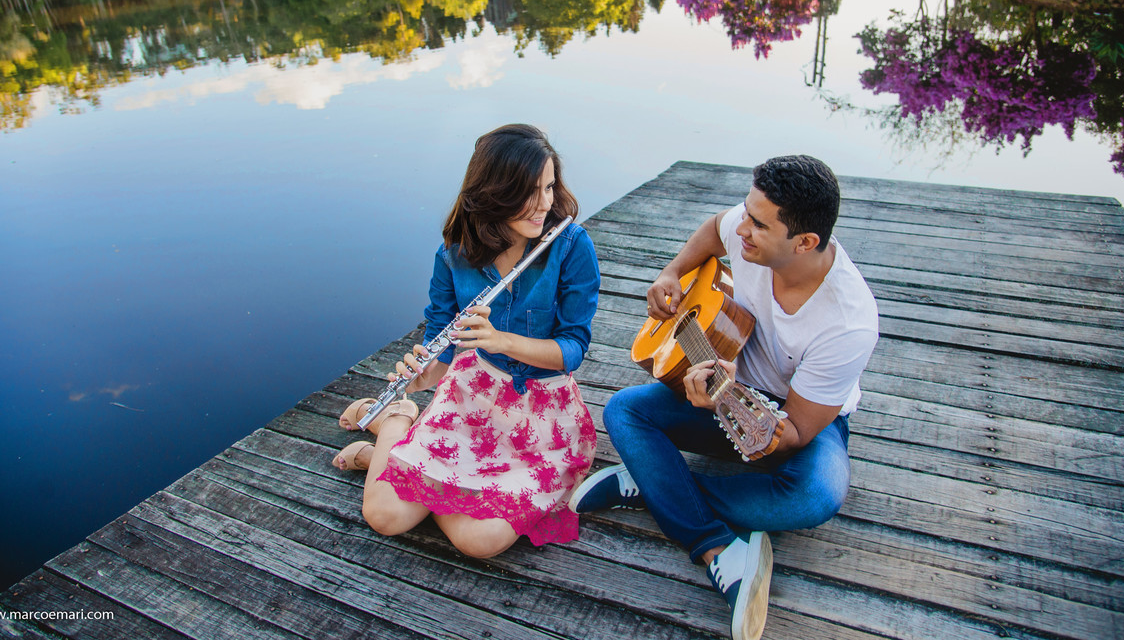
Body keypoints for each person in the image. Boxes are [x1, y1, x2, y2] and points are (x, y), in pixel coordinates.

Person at [570, 155, 878, 640]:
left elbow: (794, 434)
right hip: (725, 378)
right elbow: (716, 228)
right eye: (747, 212)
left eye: (758, 225)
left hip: (799, 418)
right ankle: (716, 544)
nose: (744, 229)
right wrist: (672, 272)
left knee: (815, 496)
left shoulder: (848, 323)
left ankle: (653, 484)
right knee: (624, 410)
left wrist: (727, 403)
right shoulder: (746, 228)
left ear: (805, 242)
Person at [332, 124, 600, 559]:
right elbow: (441, 352)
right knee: (385, 518)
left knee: (480, 541)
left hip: (540, 416)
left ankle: (397, 458)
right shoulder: (454, 253)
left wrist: (502, 341)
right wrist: (421, 377)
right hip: (472, 398)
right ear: (495, 193)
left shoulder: (570, 245)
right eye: (529, 192)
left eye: (549, 187)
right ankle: (399, 419)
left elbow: (573, 350)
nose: (544, 204)